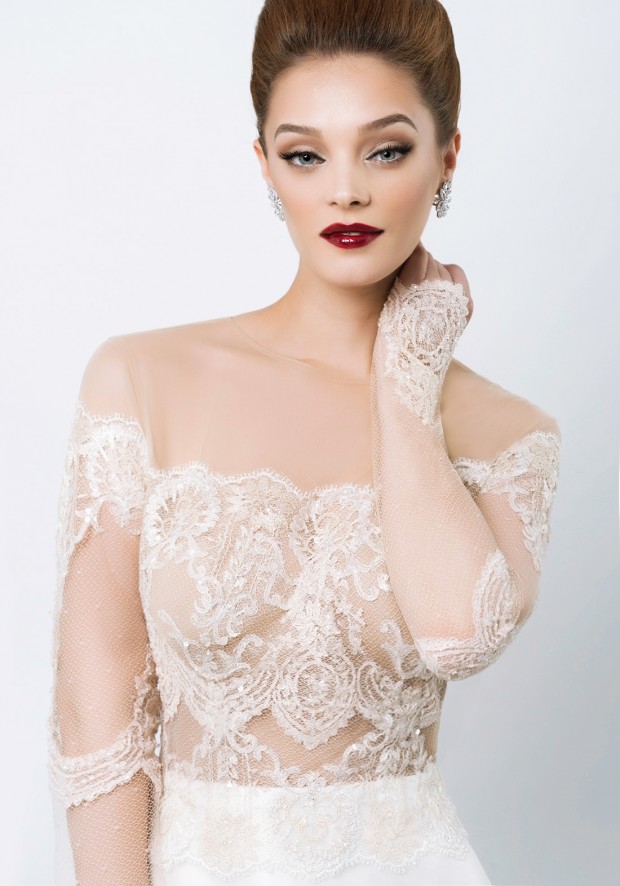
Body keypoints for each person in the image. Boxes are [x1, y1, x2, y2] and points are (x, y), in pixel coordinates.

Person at [47, 0, 562, 883]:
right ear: (265, 164)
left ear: (447, 156)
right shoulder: (140, 381)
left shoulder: (511, 434)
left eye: (386, 150)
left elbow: (459, 636)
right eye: (305, 155)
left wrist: (407, 382)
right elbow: (97, 720)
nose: (346, 190)